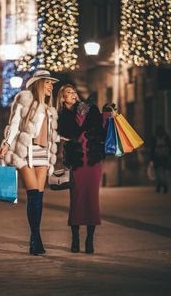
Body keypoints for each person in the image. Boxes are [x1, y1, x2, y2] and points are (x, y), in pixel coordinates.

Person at [0, 70, 59, 255]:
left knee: (39, 198)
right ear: (39, 83)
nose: (50, 86)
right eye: (48, 83)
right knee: (32, 194)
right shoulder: (25, 101)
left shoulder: (50, 109)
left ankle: (35, 238)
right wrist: (6, 144)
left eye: (52, 84)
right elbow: (14, 124)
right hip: (25, 153)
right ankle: (35, 237)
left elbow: (50, 135)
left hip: (43, 154)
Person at [56, 84, 107, 254]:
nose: (73, 95)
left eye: (74, 92)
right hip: (76, 161)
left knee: (92, 199)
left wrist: (107, 114)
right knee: (76, 199)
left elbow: (101, 128)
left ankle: (90, 240)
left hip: (92, 160)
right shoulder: (61, 115)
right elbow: (62, 133)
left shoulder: (89, 108)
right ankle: (75, 239)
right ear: (62, 98)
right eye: (68, 93)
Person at [150, 125, 171, 193]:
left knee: (158, 172)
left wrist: (151, 159)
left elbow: (152, 149)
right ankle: (164, 185)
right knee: (164, 172)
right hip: (165, 157)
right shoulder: (166, 137)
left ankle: (160, 185)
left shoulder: (154, 138)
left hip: (157, 157)